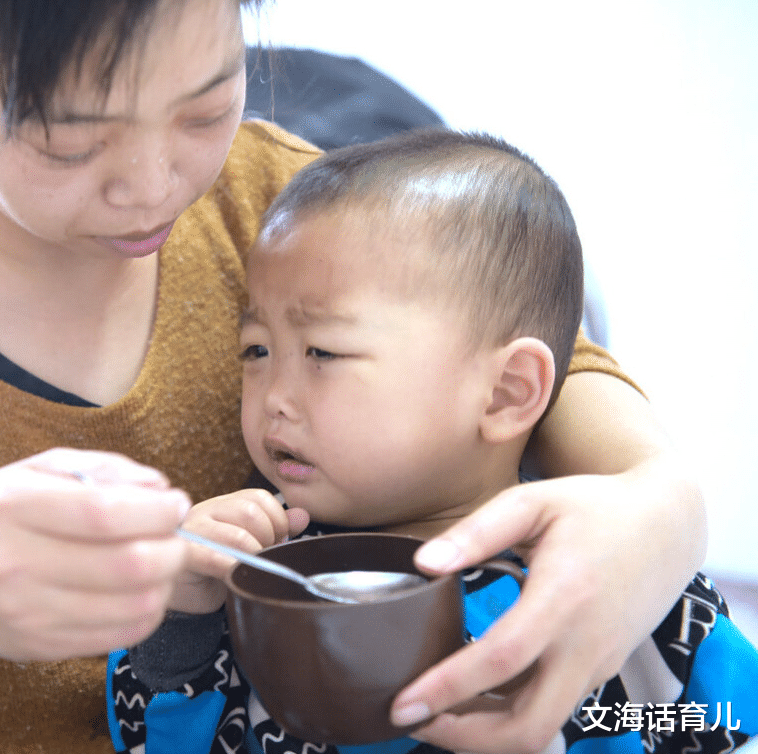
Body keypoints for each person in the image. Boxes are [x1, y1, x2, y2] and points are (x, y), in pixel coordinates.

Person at [0, 0, 707, 752]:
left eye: (204, 104)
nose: (155, 186)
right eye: (68, 139)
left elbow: (536, 358)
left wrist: (659, 504)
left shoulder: (275, 200)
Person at [108, 130, 757, 754]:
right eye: (256, 349)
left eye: (323, 351)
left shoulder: (614, 570)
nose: (272, 394)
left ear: (504, 392)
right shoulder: (263, 578)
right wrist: (183, 612)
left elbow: (728, 717)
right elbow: (154, 740)